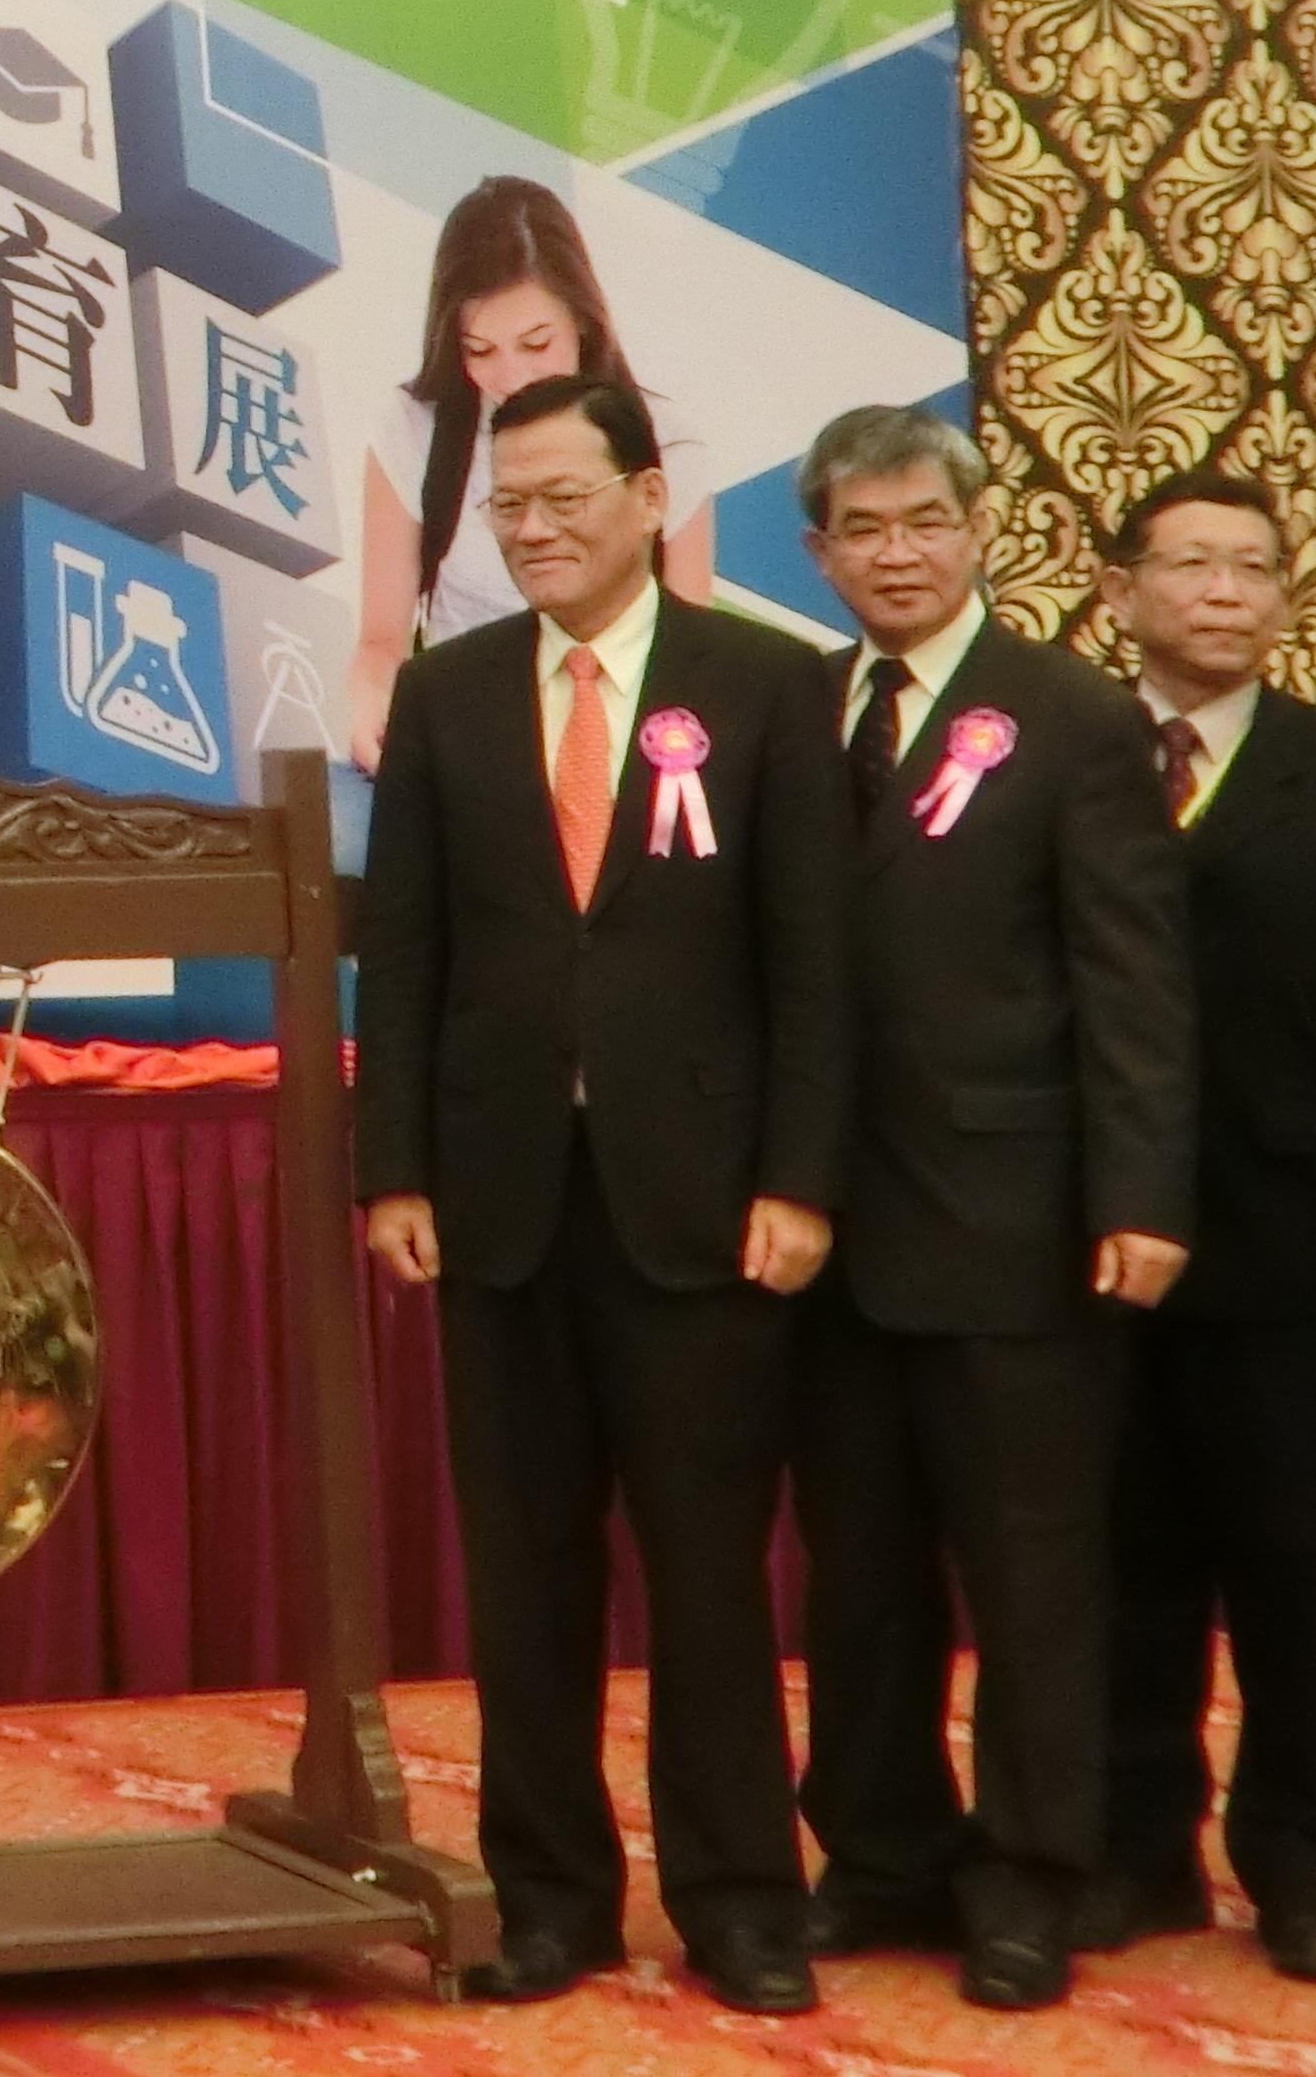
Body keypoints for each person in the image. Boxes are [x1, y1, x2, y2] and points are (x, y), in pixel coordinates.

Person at [354, 372, 849, 2016]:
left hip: (699, 1200)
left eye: (564, 498)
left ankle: (739, 1904)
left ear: (647, 497)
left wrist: (796, 1175)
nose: (535, 530)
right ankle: (551, 1897)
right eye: (508, 508)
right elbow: (408, 953)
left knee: (707, 1567)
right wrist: (393, 1171)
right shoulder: (446, 695)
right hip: (499, 1201)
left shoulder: (765, 689)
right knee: (524, 1568)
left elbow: (811, 963)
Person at [786, 402, 1194, 2010]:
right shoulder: (789, 711)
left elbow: (1137, 980)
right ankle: (881, 1856)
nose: (896, 554)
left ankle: (1033, 1877)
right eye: (862, 532)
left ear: (979, 532)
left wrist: (1144, 1191)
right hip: (825, 1234)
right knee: (858, 1573)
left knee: (1032, 1576)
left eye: (922, 523)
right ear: (817, 553)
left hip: (1021, 1226)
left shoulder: (1073, 715)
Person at [1089, 471, 1316, 1982]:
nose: (1224, 591)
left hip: (1292, 1253)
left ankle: (1305, 1864)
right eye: (1191, 565)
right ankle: (1134, 1852)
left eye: (1253, 567)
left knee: (1296, 1574)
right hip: (1099, 1250)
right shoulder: (1065, 754)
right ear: (1122, 592)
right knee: (1122, 1568)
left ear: (1288, 599)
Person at [351, 177, 714, 768]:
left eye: (536, 343)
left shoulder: (667, 444)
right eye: (480, 351)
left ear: (583, 322)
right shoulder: (415, 428)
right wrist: (374, 708)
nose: (513, 376)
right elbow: (381, 642)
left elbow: (690, 655)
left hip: (616, 750)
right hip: (464, 743)